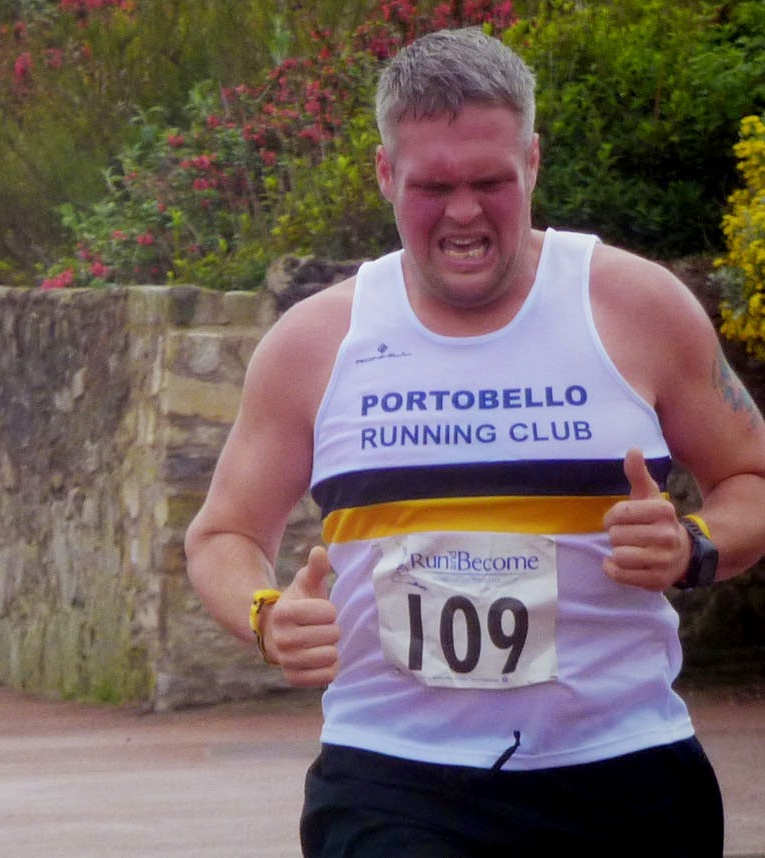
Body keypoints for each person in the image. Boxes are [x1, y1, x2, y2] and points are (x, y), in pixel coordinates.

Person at [184, 27, 765, 857]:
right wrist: (267, 614)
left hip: (622, 769)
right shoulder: (316, 342)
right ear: (386, 175)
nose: (464, 212)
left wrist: (694, 545)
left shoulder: (638, 307)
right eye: (433, 186)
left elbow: (752, 478)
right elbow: (223, 533)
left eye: (491, 180)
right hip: (394, 778)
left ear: (532, 163)